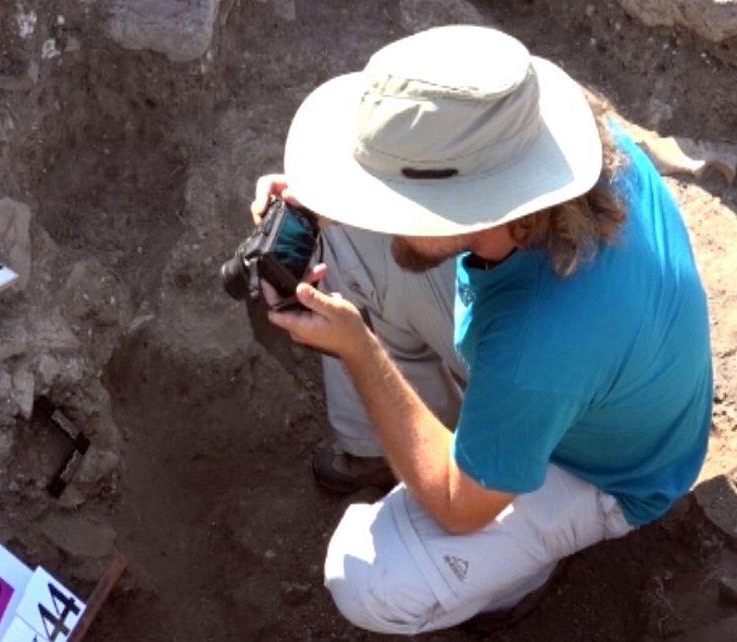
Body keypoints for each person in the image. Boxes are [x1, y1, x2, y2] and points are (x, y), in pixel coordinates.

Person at [250, 25, 713, 634]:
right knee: (348, 241)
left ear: (471, 206)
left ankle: (512, 580)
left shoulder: (537, 341)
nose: (378, 210)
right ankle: (385, 449)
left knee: (366, 580)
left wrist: (360, 350)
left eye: (392, 198)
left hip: (602, 470)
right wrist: (318, 202)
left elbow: (459, 506)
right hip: (599, 376)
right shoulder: (544, 151)